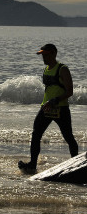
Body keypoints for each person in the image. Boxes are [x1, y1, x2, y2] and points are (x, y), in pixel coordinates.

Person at [18, 44, 79, 173]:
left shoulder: (63, 69)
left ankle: (76, 164)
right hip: (46, 108)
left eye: (45, 55)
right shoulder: (46, 69)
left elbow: (70, 91)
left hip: (61, 109)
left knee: (68, 137)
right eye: (42, 55)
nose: (43, 57)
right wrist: (47, 102)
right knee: (36, 135)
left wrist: (55, 100)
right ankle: (32, 164)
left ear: (53, 53)